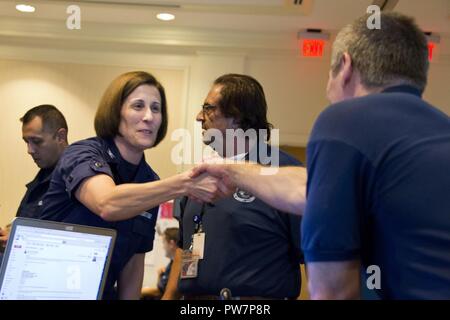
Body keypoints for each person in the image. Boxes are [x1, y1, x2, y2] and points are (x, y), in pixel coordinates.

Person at [192, 13, 450, 299]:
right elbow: (309, 188)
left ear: (346, 67)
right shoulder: (438, 130)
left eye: (329, 72)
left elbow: (333, 288)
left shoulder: (344, 120)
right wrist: (232, 169)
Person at [39, 71, 222, 300]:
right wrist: (185, 183)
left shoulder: (149, 180)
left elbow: (134, 261)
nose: (149, 116)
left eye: (156, 109)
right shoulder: (82, 153)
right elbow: (107, 203)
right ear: (115, 113)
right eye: (138, 106)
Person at [163, 74, 304, 300]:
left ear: (237, 117)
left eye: (209, 109)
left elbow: (318, 255)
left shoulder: (283, 173)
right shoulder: (199, 175)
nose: (199, 117)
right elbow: (184, 248)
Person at [0, 105, 68, 251]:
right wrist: (11, 234)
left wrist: (20, 242)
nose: (29, 150)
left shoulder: (76, 178)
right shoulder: (44, 174)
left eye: (36, 142)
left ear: (60, 137)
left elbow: (75, 240)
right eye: (26, 142)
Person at [141, 227, 179, 299]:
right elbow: (161, 289)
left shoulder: (177, 266)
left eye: (163, 242)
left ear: (171, 243)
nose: (163, 247)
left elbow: (161, 292)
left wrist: (141, 291)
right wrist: (160, 276)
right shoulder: (171, 264)